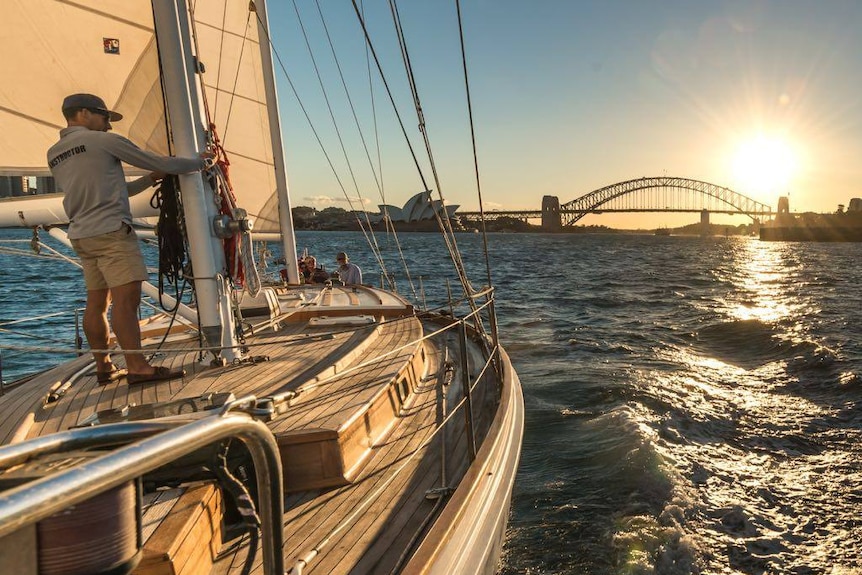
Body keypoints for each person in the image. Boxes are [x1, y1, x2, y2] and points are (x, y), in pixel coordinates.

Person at [47, 93, 211, 385]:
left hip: (82, 234)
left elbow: (114, 189)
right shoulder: (102, 141)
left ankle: (104, 366)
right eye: (105, 117)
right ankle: (138, 367)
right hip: (111, 232)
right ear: (83, 113)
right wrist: (199, 162)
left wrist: (150, 180)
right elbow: (153, 160)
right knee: (126, 302)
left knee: (96, 303)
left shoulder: (56, 152)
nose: (109, 125)